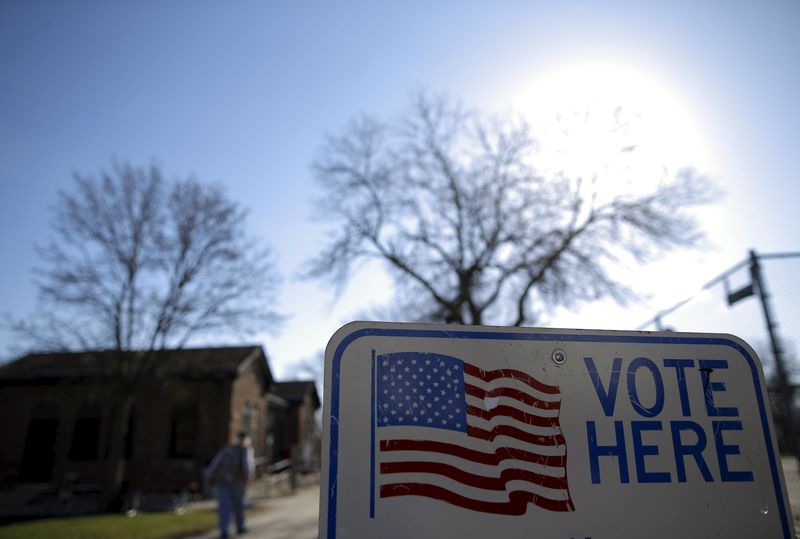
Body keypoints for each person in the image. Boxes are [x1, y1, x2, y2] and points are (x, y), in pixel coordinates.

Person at [207, 430, 255, 538]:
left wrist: (210, 475)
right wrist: (248, 478)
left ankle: (226, 529)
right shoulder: (245, 449)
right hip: (236, 481)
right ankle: (238, 527)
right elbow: (248, 466)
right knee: (238, 505)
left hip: (224, 481)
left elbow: (215, 463)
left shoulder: (227, 449)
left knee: (226, 506)